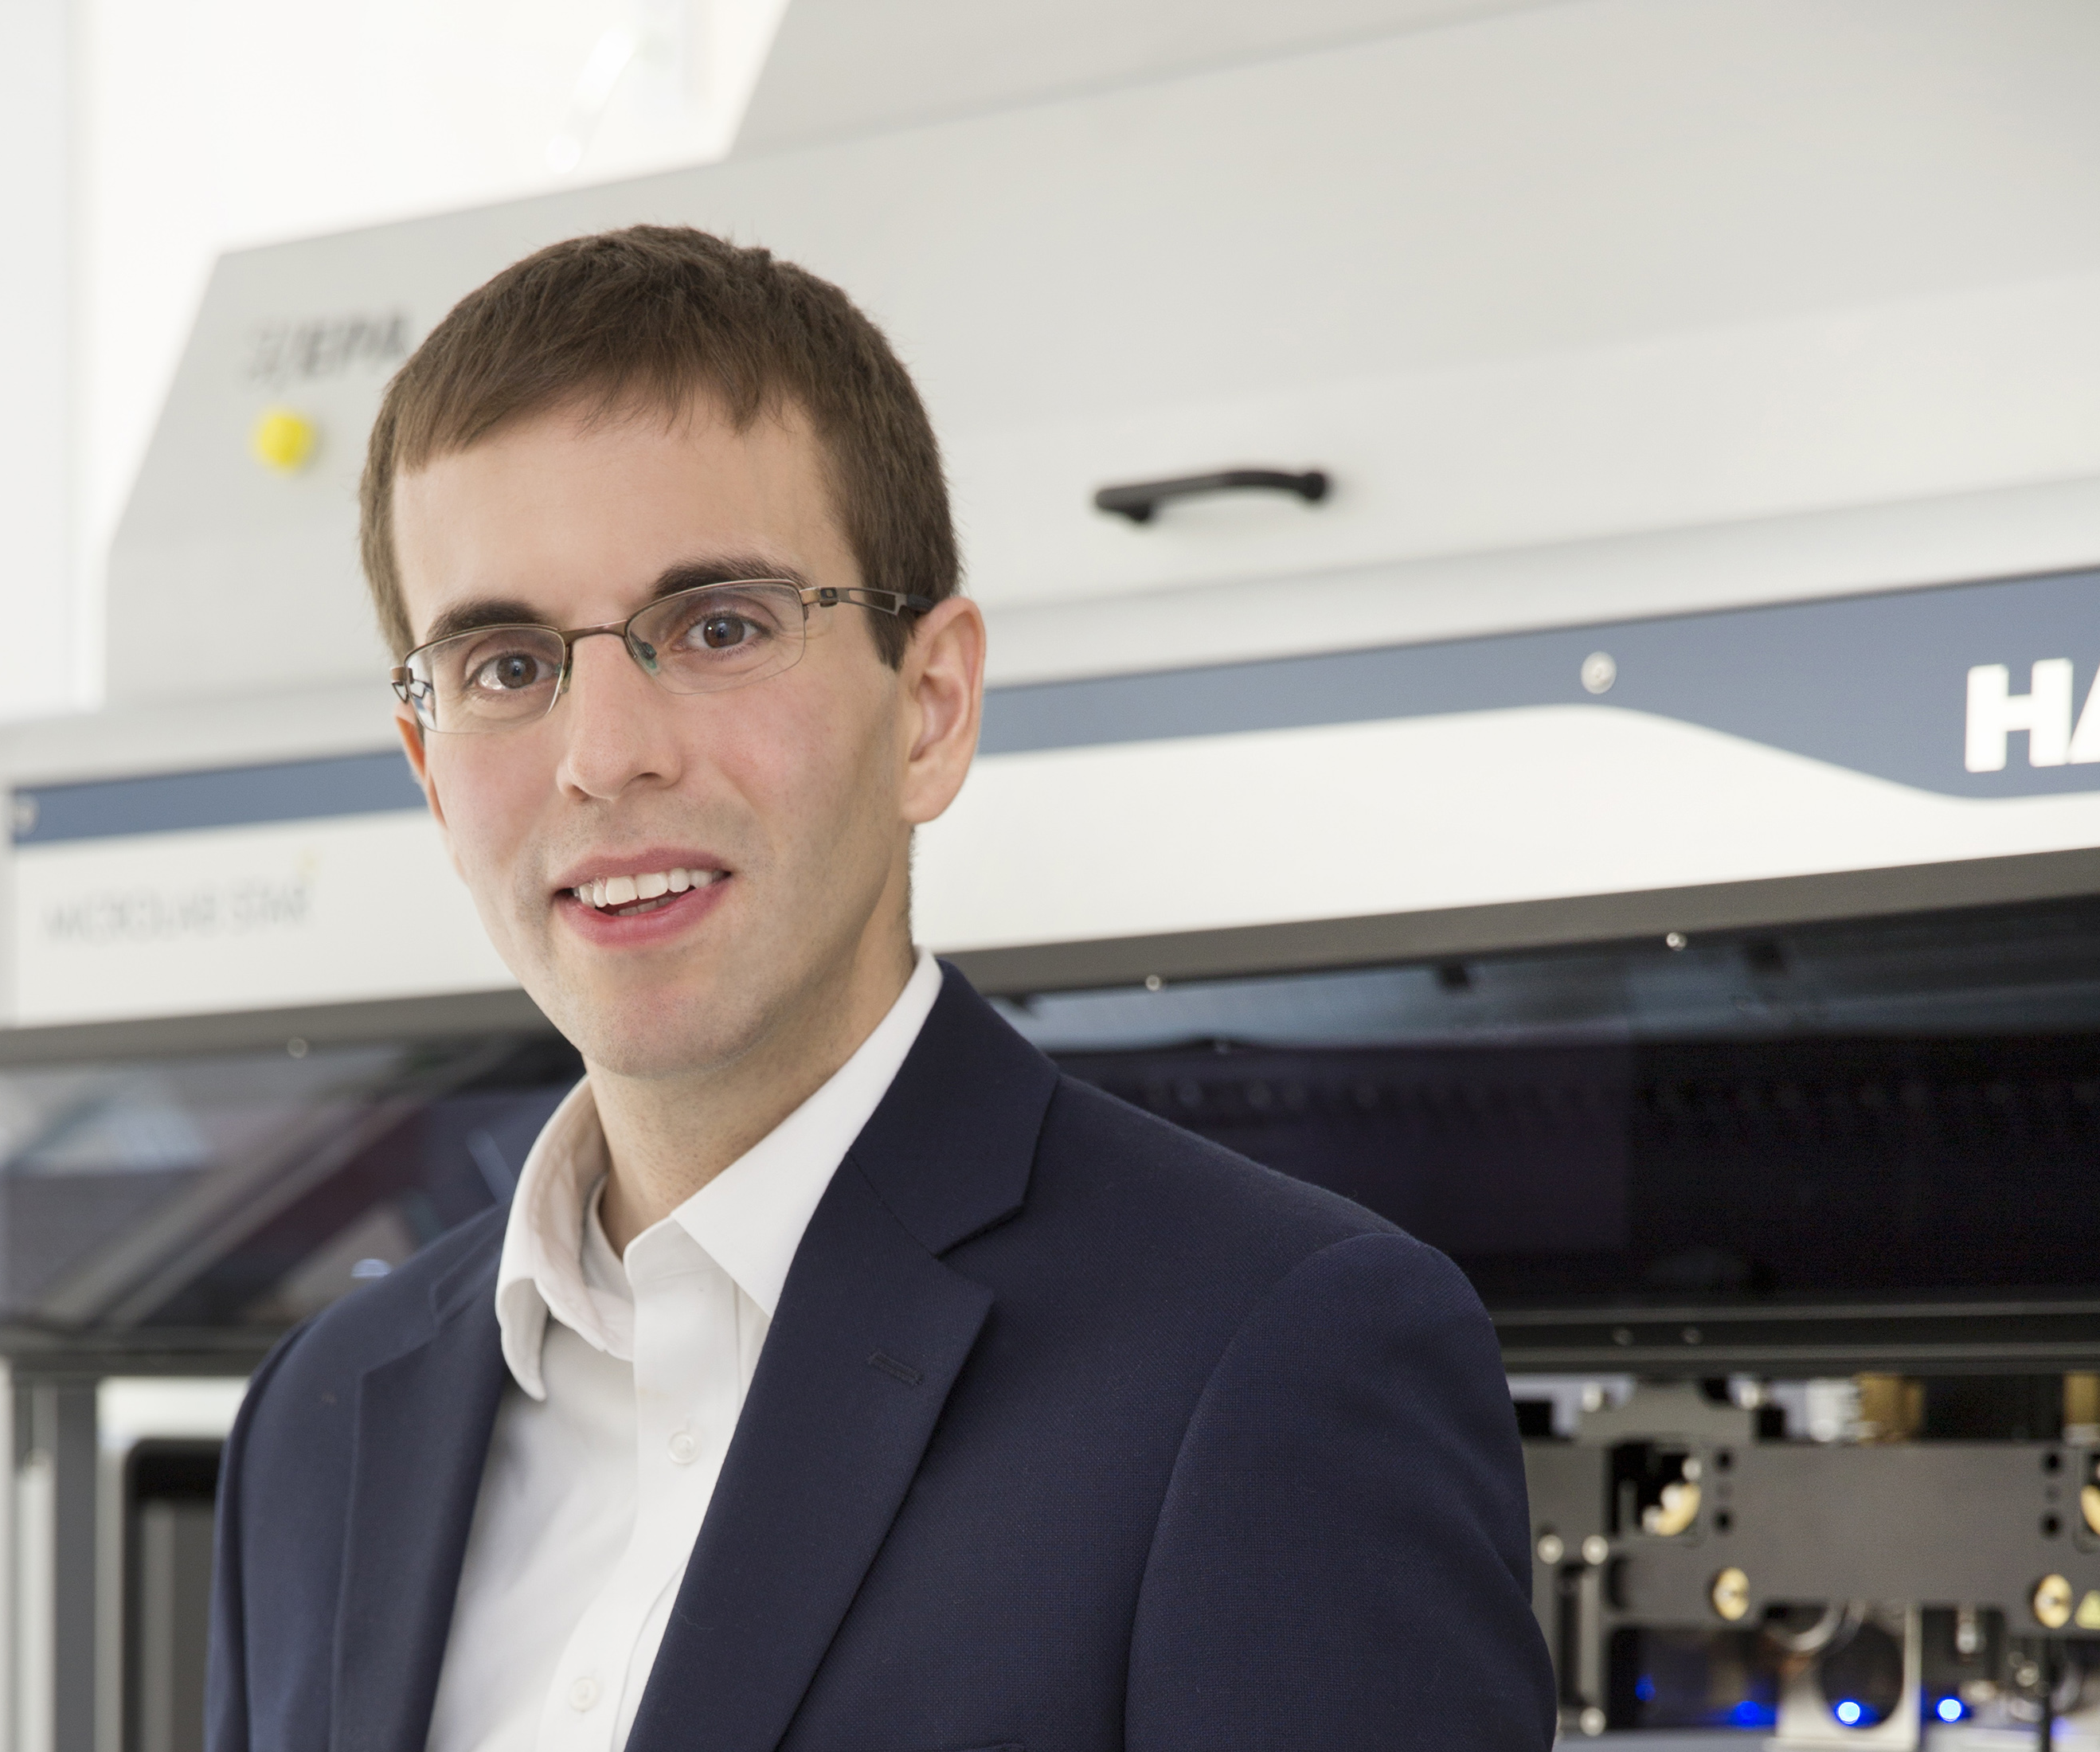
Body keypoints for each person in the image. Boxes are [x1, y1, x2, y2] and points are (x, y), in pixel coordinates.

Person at [208, 225, 1554, 1752]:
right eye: (507, 665)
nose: (604, 755)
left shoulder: (1272, 1365)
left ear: (931, 706)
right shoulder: (315, 1424)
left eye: (718, 628)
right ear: (433, 777)